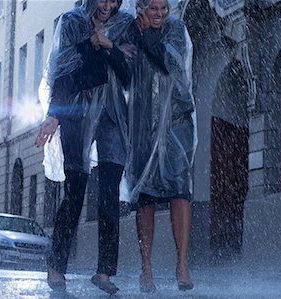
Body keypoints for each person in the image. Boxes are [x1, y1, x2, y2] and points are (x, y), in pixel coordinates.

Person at [35, 0, 134, 294]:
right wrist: (53, 115)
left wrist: (108, 45)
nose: (108, 5)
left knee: (109, 194)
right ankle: (56, 265)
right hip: (77, 113)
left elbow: (130, 73)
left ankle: (104, 272)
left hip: (114, 114)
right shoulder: (71, 23)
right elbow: (62, 71)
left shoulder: (125, 25)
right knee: (75, 191)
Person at [122, 0, 197, 292]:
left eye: (163, 8)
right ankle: (147, 269)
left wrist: (145, 36)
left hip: (176, 119)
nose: (159, 13)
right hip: (141, 122)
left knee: (180, 189)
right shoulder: (129, 29)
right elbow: (124, 71)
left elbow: (169, 63)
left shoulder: (177, 29)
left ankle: (181, 264)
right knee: (145, 195)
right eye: (152, 8)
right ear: (140, 8)